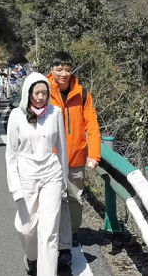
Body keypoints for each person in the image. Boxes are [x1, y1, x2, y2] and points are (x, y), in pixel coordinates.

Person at [6, 73, 68, 276]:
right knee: (26, 229)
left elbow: (62, 149)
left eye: (44, 93)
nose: (41, 97)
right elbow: (11, 155)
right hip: (26, 177)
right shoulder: (17, 115)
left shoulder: (56, 112)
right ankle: (31, 257)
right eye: (36, 93)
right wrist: (14, 186)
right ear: (28, 93)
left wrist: (64, 180)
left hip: (52, 175)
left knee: (49, 232)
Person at [47, 52, 101, 268]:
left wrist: (94, 155)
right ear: (52, 70)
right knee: (53, 199)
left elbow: (92, 126)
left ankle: (73, 233)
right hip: (50, 158)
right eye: (59, 69)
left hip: (77, 156)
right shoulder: (44, 90)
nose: (63, 73)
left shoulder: (83, 94)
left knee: (75, 198)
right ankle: (56, 239)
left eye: (67, 69)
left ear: (72, 71)